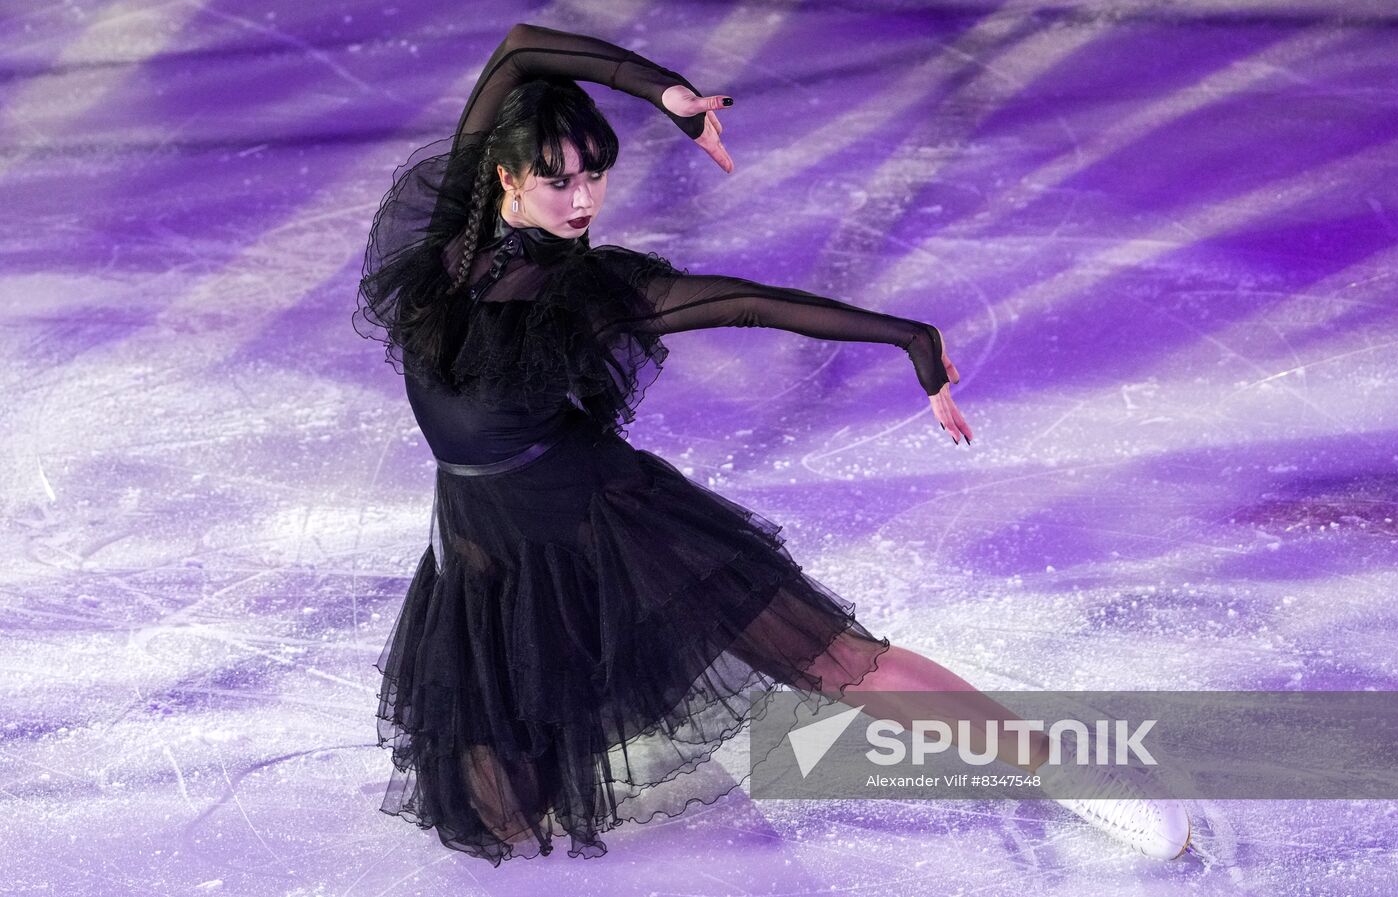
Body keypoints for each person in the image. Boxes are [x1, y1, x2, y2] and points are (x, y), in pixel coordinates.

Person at [354, 22, 1191, 866]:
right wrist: (665, 91)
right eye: (557, 179)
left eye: (596, 175)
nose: (581, 200)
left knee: (834, 661)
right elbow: (521, 49)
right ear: (506, 175)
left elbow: (749, 302)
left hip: (598, 515)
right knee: (497, 816)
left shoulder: (592, 292)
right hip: (483, 534)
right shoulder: (451, 244)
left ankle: (1061, 769)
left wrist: (909, 337)